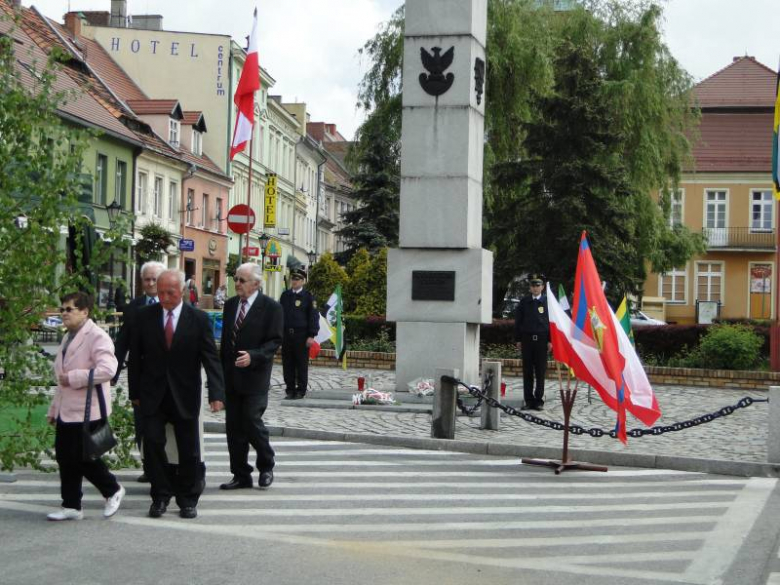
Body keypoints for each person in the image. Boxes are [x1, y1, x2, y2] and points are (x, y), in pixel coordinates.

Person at [128, 269, 225, 519]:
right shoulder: (144, 317)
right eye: (160, 292)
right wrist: (134, 392)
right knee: (153, 444)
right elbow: (136, 358)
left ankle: (187, 499)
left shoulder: (199, 319)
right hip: (152, 394)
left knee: (189, 449)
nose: (164, 297)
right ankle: (160, 495)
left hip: (184, 393)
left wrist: (217, 393)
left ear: (181, 290)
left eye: (170, 292)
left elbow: (210, 359)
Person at [46, 291, 125, 521]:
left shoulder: (96, 336)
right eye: (62, 309)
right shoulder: (68, 336)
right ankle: (71, 505)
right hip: (67, 409)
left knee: (83, 457)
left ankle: (112, 490)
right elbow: (61, 379)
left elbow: (108, 369)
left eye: (69, 309)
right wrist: (54, 410)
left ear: (84, 312)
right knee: (64, 457)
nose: (64, 314)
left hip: (87, 410)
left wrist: (76, 377)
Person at [219, 263, 283, 490]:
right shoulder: (230, 305)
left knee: (251, 420)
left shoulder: (271, 308)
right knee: (234, 428)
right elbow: (226, 344)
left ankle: (266, 464)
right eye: (235, 279)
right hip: (232, 377)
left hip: (255, 377)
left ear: (256, 284)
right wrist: (218, 380)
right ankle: (240, 474)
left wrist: (254, 356)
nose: (237, 284)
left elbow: (275, 341)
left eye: (241, 280)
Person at [112, 261, 165, 483]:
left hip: (165, 377)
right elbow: (123, 341)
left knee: (162, 427)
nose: (151, 283)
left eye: (155, 279)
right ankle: (148, 465)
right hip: (140, 378)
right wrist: (111, 374)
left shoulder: (169, 304)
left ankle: (164, 467)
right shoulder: (134, 307)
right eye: (147, 279)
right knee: (141, 425)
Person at [279, 268, 319, 400]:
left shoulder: (308, 297)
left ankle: (301, 390)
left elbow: (313, 316)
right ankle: (290, 389)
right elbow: (279, 315)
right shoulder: (285, 295)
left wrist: (311, 335)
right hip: (287, 333)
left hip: (301, 335)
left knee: (301, 363)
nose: (294, 281)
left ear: (303, 281)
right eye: (293, 279)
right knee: (288, 363)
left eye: (297, 279)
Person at [514, 275, 551, 411]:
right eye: (533, 286)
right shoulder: (524, 302)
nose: (535, 288)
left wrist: (550, 340)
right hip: (527, 340)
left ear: (542, 287)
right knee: (527, 371)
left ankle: (539, 400)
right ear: (530, 288)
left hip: (542, 340)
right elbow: (518, 322)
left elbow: (552, 323)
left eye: (538, 286)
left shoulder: (547, 302)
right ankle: (529, 400)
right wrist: (518, 339)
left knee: (540, 371)